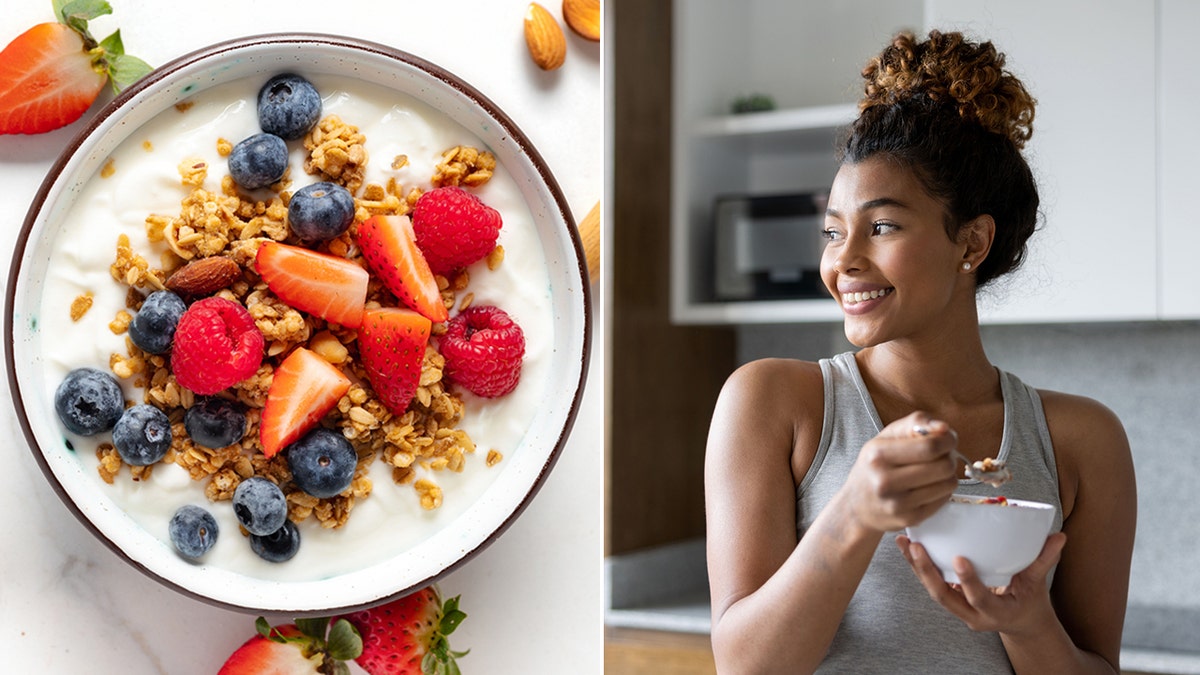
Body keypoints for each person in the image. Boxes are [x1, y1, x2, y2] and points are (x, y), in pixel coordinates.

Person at [704, 30, 1136, 674]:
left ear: (972, 243)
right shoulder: (773, 402)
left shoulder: (1082, 440)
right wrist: (853, 511)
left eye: (881, 227)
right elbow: (745, 668)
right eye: (832, 231)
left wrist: (1028, 623)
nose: (842, 261)